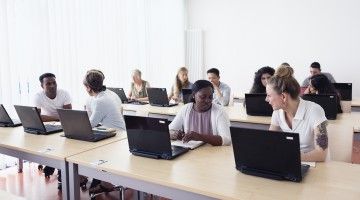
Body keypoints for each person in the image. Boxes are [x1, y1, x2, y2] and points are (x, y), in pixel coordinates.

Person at [266, 65, 328, 162]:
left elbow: (321, 154)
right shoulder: (277, 112)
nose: (266, 99)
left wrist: (288, 157)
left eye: (269, 95)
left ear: (283, 97)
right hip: (290, 163)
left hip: (315, 166)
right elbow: (269, 142)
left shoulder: (315, 110)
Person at [83, 70, 130, 197]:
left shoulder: (100, 100)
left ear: (88, 87)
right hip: (114, 136)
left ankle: (99, 181)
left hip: (118, 139)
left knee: (85, 151)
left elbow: (89, 125)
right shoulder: (104, 96)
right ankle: (97, 180)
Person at [34, 73, 72, 189]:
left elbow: (68, 114)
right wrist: (57, 117)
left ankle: (61, 172)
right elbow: (37, 116)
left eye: (54, 83)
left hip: (64, 125)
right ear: (42, 86)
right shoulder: (38, 96)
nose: (52, 86)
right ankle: (53, 165)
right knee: (50, 144)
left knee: (64, 146)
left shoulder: (64, 93)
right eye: (48, 83)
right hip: (48, 125)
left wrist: (59, 118)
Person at [169, 80, 231, 146]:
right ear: (193, 95)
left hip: (213, 153)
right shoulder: (186, 109)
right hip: (191, 152)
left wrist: (200, 137)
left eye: (210, 97)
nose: (207, 100)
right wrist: (176, 134)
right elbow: (169, 131)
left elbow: (227, 140)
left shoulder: (220, 111)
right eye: (203, 97)